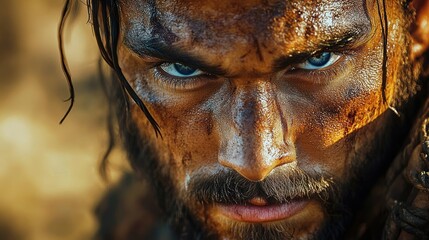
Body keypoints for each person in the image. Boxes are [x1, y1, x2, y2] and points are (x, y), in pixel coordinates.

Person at [60, 0, 429, 239]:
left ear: (418, 23)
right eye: (183, 68)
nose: (255, 162)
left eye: (317, 60)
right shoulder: (135, 219)